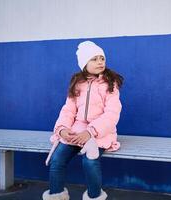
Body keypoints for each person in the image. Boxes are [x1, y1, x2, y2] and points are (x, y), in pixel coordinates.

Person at [42, 41, 123, 200]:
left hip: (99, 132)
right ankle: (56, 195)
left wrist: (90, 132)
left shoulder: (110, 84)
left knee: (90, 161)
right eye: (94, 59)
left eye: (102, 58)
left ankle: (94, 196)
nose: (100, 62)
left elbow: (112, 113)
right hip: (75, 131)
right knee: (57, 160)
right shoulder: (77, 84)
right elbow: (68, 110)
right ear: (84, 63)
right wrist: (62, 129)